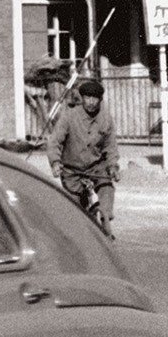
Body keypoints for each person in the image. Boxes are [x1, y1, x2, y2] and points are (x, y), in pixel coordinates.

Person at [46, 77, 120, 230]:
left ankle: (105, 218)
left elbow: (110, 146)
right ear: (82, 98)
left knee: (107, 187)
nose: (91, 102)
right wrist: (55, 162)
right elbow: (54, 142)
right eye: (88, 98)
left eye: (95, 98)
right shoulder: (69, 116)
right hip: (72, 169)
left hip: (95, 167)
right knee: (74, 209)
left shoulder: (106, 119)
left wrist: (113, 166)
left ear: (100, 100)